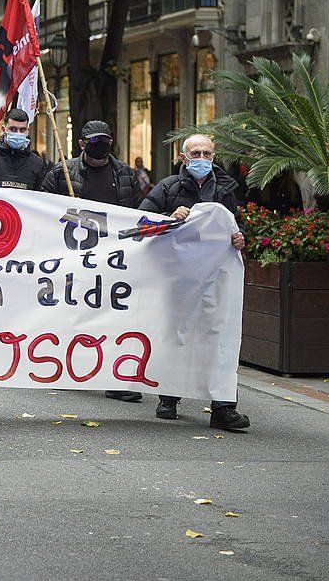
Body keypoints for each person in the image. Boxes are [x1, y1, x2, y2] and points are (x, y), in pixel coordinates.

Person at [140, 133, 250, 431]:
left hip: (216, 277)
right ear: (183, 157)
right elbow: (141, 224)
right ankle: (169, 396)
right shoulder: (168, 188)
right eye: (196, 153)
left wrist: (241, 238)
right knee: (177, 334)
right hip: (179, 278)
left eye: (207, 153)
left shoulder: (227, 188)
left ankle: (224, 407)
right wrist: (168, 216)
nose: (202, 159)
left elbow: (238, 225)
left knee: (220, 335)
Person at [41, 120, 144, 404]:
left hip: (113, 260)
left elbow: (136, 213)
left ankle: (116, 379)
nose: (101, 145)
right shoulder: (62, 173)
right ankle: (63, 367)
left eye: (106, 140)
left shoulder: (125, 174)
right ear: (82, 143)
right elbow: (41, 210)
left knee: (113, 318)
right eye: (95, 140)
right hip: (72, 259)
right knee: (71, 313)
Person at [0, 108, 45, 191]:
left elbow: (40, 198)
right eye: (13, 129)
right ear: (3, 129)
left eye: (22, 130)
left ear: (27, 131)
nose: (18, 133)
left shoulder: (37, 163)